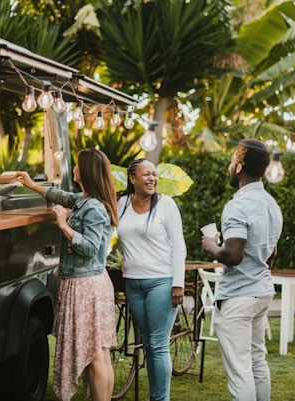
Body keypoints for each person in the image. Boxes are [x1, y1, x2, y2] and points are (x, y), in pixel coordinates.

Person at [14, 148, 118, 401]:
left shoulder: (93, 207)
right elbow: (61, 195)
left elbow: (90, 248)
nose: (74, 168)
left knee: (94, 356)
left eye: (78, 165)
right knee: (100, 353)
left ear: (87, 171)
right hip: (90, 283)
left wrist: (63, 226)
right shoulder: (86, 199)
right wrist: (31, 185)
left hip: (86, 286)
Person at [201, 138, 283, 401]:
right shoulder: (272, 205)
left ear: (239, 166)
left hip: (237, 298)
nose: (229, 164)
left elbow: (233, 255)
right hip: (261, 292)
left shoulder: (237, 205)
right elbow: (272, 255)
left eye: (232, 159)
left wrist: (212, 246)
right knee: (257, 361)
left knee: (239, 371)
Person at [116, 158, 187, 401]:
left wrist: (178, 283)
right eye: (145, 174)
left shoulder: (166, 205)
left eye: (154, 174)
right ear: (132, 178)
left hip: (161, 283)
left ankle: (160, 398)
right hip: (133, 284)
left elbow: (179, 247)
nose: (151, 178)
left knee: (157, 345)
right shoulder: (122, 203)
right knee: (147, 344)